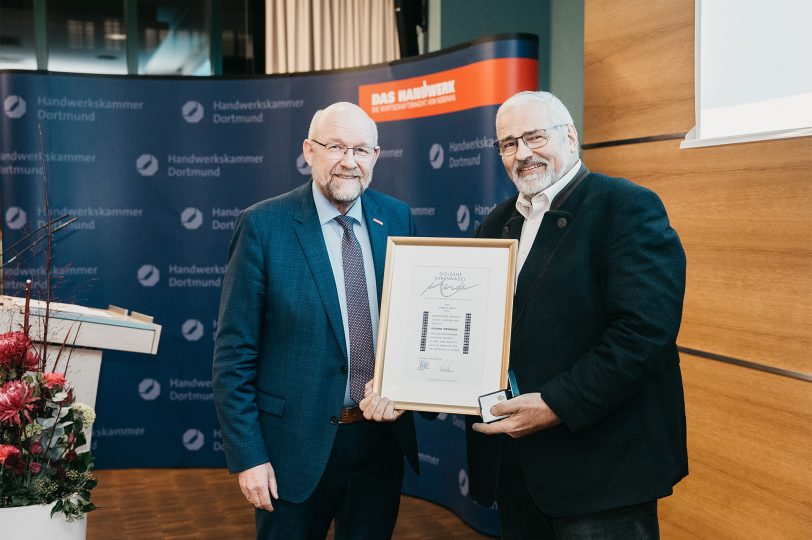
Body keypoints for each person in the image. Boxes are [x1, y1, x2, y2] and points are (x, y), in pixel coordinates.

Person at [466, 91, 688, 539]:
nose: (522, 153)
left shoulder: (625, 206)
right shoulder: (497, 222)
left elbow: (642, 334)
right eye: (508, 144)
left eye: (534, 137)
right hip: (517, 468)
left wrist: (554, 404)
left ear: (570, 135)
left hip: (601, 474)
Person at [213, 102, 419, 539]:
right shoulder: (263, 226)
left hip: (380, 441)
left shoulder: (397, 218)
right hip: (293, 448)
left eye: (362, 150)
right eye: (336, 147)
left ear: (376, 157)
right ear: (309, 151)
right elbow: (234, 356)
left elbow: (411, 325)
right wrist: (249, 456)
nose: (349, 161)